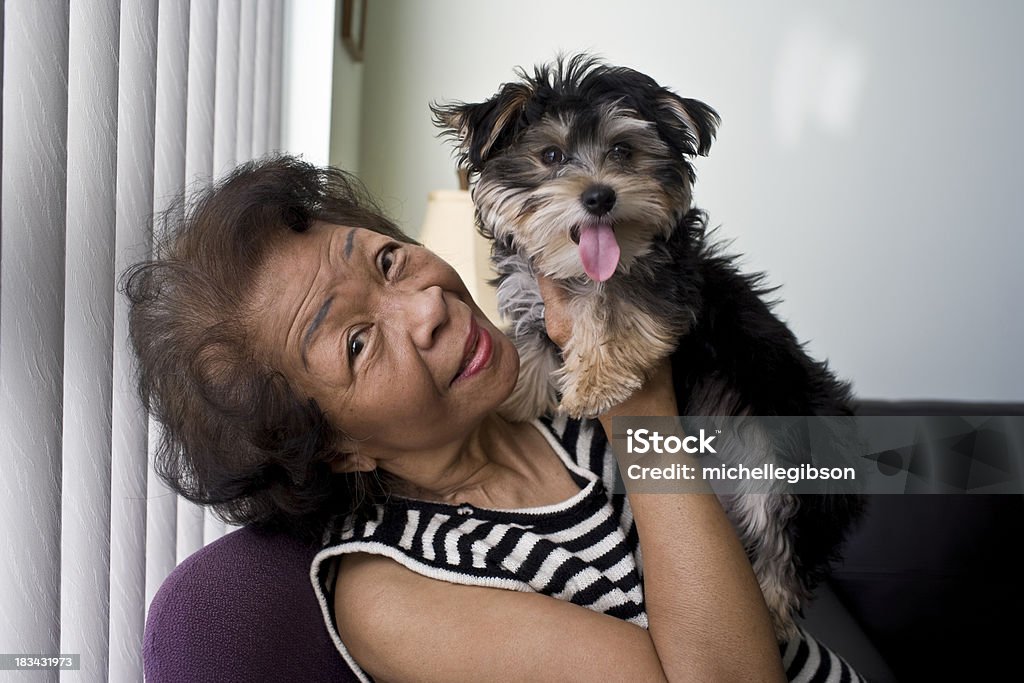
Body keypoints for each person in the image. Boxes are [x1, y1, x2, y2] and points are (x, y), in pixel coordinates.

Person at [125, 155, 863, 682]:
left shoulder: (542, 370)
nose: (428, 306)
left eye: (387, 263)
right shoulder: (391, 595)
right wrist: (638, 409)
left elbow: (867, 463)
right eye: (357, 343)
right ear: (334, 449)